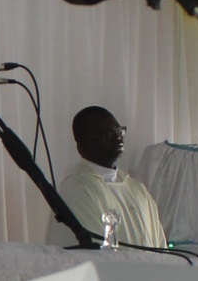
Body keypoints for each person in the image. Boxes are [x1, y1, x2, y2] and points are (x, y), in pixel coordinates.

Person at [44, 105, 167, 249]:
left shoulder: (137, 189)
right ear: (82, 146)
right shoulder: (77, 189)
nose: (117, 138)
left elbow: (160, 247)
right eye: (106, 135)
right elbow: (90, 253)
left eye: (119, 131)